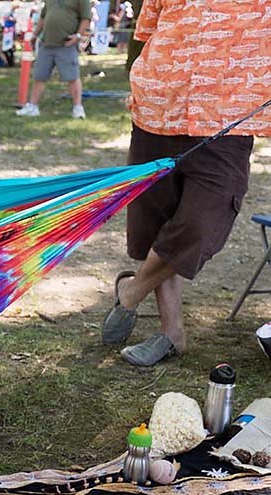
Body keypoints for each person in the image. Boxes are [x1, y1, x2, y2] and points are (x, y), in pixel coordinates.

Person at [100, 0, 271, 367]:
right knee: (156, 224)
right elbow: (147, 31)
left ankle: (131, 293)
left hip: (227, 120)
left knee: (200, 221)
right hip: (156, 111)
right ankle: (171, 334)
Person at [16, 0, 91, 119]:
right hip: (46, 43)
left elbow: (86, 18)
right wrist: (35, 35)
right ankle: (33, 106)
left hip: (66, 44)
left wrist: (77, 36)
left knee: (72, 77)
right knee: (39, 76)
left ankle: (78, 108)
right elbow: (43, 16)